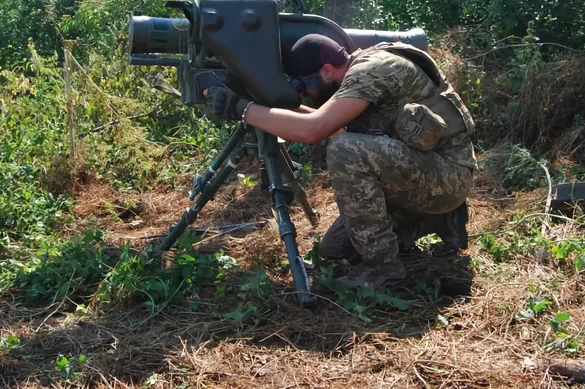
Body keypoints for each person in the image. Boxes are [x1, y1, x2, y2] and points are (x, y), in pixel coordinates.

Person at [204, 34, 477, 289]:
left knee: (346, 150)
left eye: (305, 84)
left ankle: (384, 268)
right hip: (424, 170)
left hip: (448, 175)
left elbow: (314, 130)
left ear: (326, 70)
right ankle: (435, 218)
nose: (307, 93)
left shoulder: (371, 70)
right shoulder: (356, 71)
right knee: (335, 251)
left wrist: (242, 109)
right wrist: (260, 102)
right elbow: (331, 123)